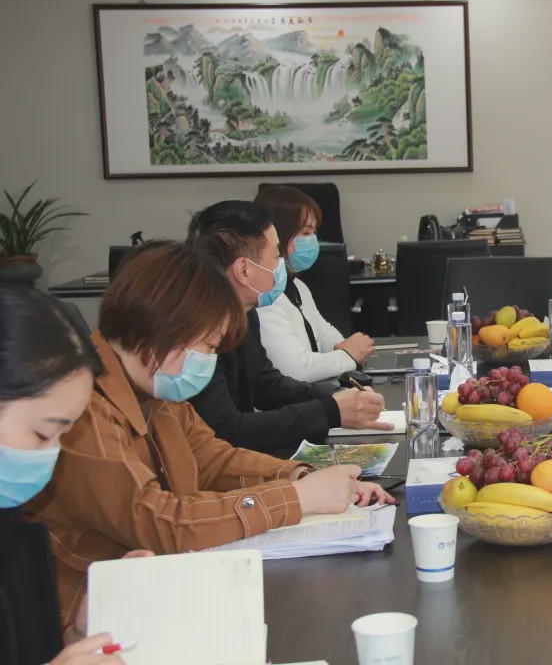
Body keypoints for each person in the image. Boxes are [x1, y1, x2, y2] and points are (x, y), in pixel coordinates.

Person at [25, 243, 393, 626]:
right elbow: (159, 521)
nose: (210, 360)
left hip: (158, 592)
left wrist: (298, 476)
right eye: (210, 345)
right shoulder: (81, 405)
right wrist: (296, 498)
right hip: (91, 620)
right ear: (168, 327)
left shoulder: (153, 382)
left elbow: (211, 456)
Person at [186, 201, 391, 456]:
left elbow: (264, 384)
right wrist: (329, 410)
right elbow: (228, 429)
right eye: (276, 256)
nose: (281, 264)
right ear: (244, 270)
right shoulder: (196, 331)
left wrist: (335, 395)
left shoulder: (245, 312)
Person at [0, 287, 131, 665]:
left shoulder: (15, 531)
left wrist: (80, 635)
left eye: (63, 436)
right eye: (43, 433)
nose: (51, 456)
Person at [253, 185, 374, 382]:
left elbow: (324, 334)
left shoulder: (298, 286)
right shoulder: (265, 297)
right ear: (278, 235)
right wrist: (348, 355)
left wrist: (342, 348)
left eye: (313, 232)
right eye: (306, 232)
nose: (313, 240)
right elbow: (297, 369)